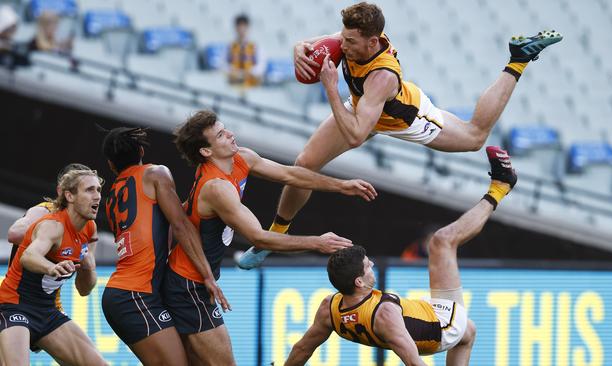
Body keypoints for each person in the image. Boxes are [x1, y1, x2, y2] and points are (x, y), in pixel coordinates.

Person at [237, 1, 561, 268]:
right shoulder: (355, 37)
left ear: (372, 42)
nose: (343, 46)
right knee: (304, 162)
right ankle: (274, 238)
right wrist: (299, 49)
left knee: (475, 136)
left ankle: (518, 60)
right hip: (363, 107)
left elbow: (355, 135)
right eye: (343, 38)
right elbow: (312, 43)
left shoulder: (382, 76)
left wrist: (331, 89)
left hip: (404, 116)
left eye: (349, 42)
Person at [163, 109, 376, 365]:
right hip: (187, 286)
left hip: (196, 282)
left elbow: (291, 175)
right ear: (206, 152)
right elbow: (259, 239)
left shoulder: (242, 157)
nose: (230, 134)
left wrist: (341, 185)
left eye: (225, 128)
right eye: (220, 134)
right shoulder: (216, 188)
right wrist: (317, 242)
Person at [285, 146, 517, 366]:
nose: (372, 263)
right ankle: (500, 187)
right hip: (443, 327)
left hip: (425, 318)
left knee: (469, 331)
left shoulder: (330, 308)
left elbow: (302, 349)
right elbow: (414, 362)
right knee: (442, 241)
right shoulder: (384, 314)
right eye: (367, 266)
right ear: (359, 282)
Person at [100, 127, 225, 366]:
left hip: (130, 292)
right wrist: (207, 275)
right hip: (135, 295)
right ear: (141, 150)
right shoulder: (155, 173)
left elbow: (159, 222)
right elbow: (179, 225)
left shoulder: (113, 194)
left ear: (111, 164)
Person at [0, 169, 107, 366]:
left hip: (47, 311)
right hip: (14, 306)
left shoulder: (89, 228)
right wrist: (51, 268)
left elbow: (84, 290)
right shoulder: (52, 225)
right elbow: (28, 256)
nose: (98, 196)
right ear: (69, 196)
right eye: (90, 190)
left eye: (99, 190)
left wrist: (88, 268)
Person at [227, 13, 264, 87]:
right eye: (239, 26)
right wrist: (234, 72)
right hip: (234, 83)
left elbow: (261, 66)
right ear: (235, 28)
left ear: (248, 28)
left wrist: (248, 73)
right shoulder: (229, 46)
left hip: (251, 83)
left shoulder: (255, 46)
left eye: (244, 26)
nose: (241, 29)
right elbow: (223, 64)